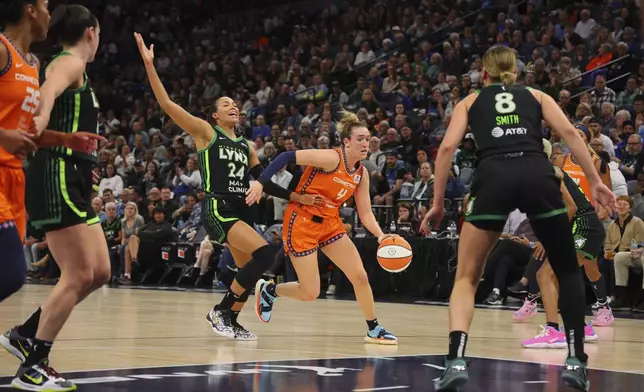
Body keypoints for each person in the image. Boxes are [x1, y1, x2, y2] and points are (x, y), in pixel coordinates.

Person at [420, 45, 615, 392]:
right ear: (516, 70)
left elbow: (447, 148)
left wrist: (437, 203)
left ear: (484, 71)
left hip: (493, 174)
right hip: (536, 172)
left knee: (466, 277)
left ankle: (455, 361)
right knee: (568, 269)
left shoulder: (470, 101)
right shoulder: (537, 95)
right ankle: (575, 361)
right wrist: (597, 181)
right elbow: (570, 133)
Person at [134, 32, 321, 341]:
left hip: (240, 208)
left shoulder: (247, 145)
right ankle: (221, 311)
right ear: (214, 114)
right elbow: (167, 104)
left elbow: (263, 180)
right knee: (266, 254)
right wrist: (149, 65)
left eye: (235, 103)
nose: (233, 106)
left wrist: (296, 196)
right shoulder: (206, 132)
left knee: (250, 269)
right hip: (218, 206)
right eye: (226, 104)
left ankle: (230, 320)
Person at [0, 5, 107, 391]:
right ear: (92, 33)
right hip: (56, 172)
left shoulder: (60, 65)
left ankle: (25, 334)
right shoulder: (67, 63)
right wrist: (41, 119)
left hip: (72, 172)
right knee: (77, 273)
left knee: (101, 272)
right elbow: (48, 91)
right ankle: (33, 362)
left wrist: (65, 138)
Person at [247, 110, 398, 345]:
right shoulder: (331, 158)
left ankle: (374, 328)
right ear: (347, 142)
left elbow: (366, 212)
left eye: (368, 138)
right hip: (302, 222)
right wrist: (259, 183)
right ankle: (270, 291)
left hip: (330, 224)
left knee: (360, 276)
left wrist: (380, 236)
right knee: (310, 293)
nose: (365, 143)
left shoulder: (361, 173)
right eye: (360, 138)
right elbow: (286, 156)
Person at [521, 141, 611, 350]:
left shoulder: (547, 172)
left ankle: (553, 332)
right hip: (585, 227)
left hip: (584, 227)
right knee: (566, 277)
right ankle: (581, 327)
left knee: (545, 274)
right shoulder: (541, 173)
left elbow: (570, 207)